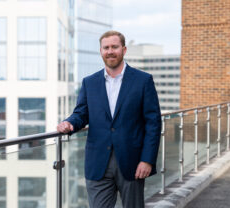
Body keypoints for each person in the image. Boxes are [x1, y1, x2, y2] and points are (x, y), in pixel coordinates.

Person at [57, 31, 161, 208]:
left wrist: (147, 160)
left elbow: (153, 123)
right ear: (101, 51)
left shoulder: (143, 80)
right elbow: (81, 114)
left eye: (114, 47)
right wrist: (70, 123)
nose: (110, 51)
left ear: (124, 49)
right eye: (106, 48)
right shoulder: (89, 82)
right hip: (98, 162)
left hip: (132, 162)